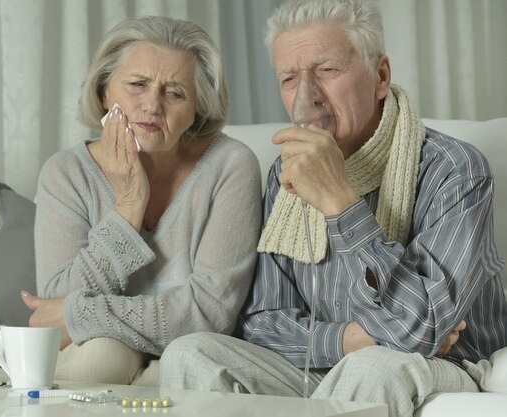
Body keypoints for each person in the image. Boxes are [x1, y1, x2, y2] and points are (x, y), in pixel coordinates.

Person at [159, 1, 507, 416]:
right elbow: (262, 321)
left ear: (380, 76)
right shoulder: (285, 175)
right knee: (190, 353)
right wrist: (350, 339)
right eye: (289, 78)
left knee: (371, 367)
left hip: (445, 363)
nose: (306, 99)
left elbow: (424, 326)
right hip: (325, 364)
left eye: (327, 70)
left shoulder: (455, 170)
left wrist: (339, 201)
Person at [20, 15, 262, 386]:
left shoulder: (231, 166)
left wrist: (84, 315)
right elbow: (56, 302)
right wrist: (129, 207)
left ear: (197, 108)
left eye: (175, 93)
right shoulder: (66, 172)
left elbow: (209, 314)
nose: (153, 105)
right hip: (97, 354)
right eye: (137, 84)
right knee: (102, 357)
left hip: (192, 352)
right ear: (104, 93)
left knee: (173, 371)